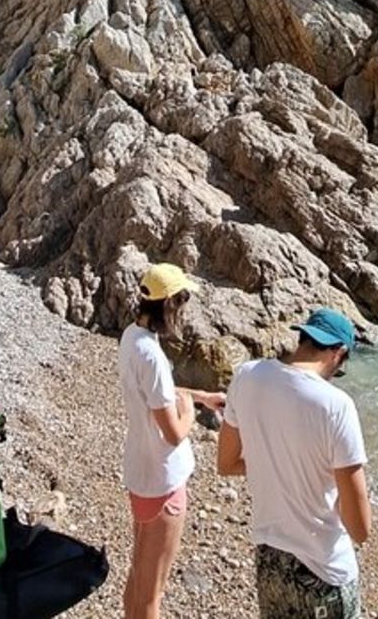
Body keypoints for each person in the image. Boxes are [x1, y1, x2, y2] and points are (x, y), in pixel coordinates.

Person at [217, 308, 371, 619]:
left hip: (271, 562)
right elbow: (360, 529)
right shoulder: (336, 406)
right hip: (324, 572)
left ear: (303, 338)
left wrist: (273, 462)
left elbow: (227, 462)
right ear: (338, 353)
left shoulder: (247, 376)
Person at [118, 262, 226, 619]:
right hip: (163, 482)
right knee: (153, 592)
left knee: (138, 576)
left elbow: (156, 394)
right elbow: (174, 433)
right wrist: (192, 414)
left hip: (140, 473)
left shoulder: (131, 337)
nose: (184, 309)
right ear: (169, 306)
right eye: (182, 301)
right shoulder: (152, 356)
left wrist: (199, 395)